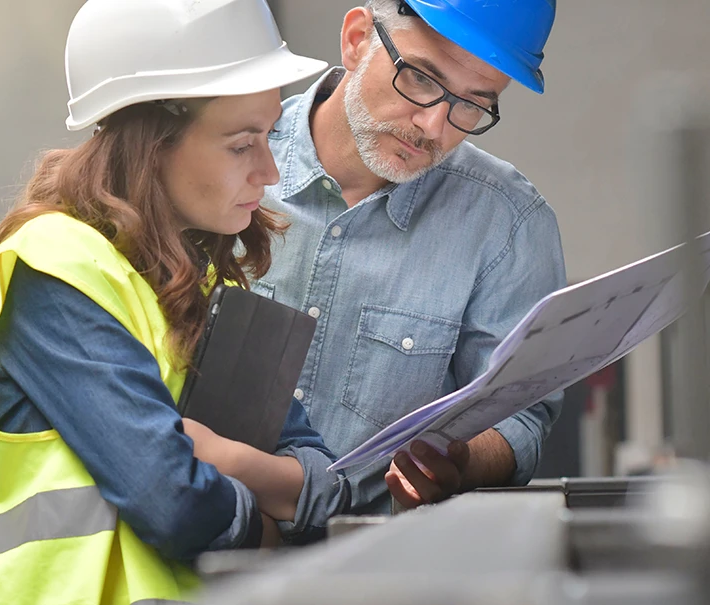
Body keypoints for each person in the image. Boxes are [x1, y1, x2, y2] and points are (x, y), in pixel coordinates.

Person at [0, 0, 330, 605]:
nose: (269, 172)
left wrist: (230, 463)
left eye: (269, 137)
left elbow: (319, 478)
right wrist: (269, 525)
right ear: (152, 146)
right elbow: (173, 500)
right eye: (242, 143)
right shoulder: (51, 273)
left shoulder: (202, 285)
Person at [239, 0, 565, 539]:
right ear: (356, 38)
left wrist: (461, 461)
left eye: (472, 105)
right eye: (419, 77)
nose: (433, 125)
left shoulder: (509, 225)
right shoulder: (225, 162)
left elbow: (522, 417)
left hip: (375, 585)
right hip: (185, 571)